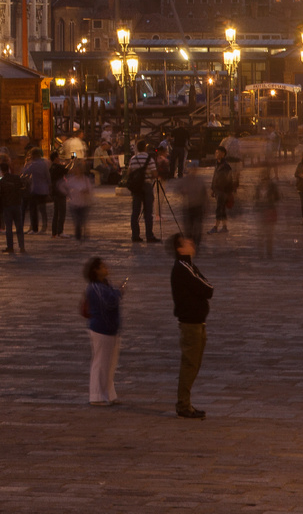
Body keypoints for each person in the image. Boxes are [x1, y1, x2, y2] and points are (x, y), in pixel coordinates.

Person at [169, 233, 214, 419]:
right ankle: (183, 405)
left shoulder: (188, 266)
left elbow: (205, 286)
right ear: (180, 248)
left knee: (193, 364)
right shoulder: (183, 268)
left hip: (196, 322)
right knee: (190, 364)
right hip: (191, 324)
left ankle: (185, 403)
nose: (192, 243)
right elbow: (208, 289)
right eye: (188, 242)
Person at [81, 256, 122, 406]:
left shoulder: (105, 284)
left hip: (110, 329)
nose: (107, 269)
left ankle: (109, 394)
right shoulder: (95, 287)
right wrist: (119, 293)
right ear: (96, 270)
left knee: (109, 364)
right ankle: (97, 396)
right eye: (103, 267)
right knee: (100, 363)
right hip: (101, 329)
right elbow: (109, 303)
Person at [126, 140, 159, 243]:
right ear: (145, 147)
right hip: (147, 185)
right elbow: (154, 173)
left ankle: (135, 235)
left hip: (136, 187)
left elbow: (129, 173)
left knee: (135, 212)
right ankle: (149, 235)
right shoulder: (150, 159)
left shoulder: (133, 159)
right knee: (148, 212)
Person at [0, 160, 28, 254]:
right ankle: (22, 247)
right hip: (17, 204)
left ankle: (10, 247)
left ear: (1, 170)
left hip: (7, 205)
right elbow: (22, 188)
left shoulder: (1, 180)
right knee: (19, 227)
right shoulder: (16, 178)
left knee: (8, 227)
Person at [61, 161, 94, 240]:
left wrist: (85, 191)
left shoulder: (86, 180)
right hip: (74, 203)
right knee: (77, 221)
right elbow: (61, 185)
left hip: (84, 203)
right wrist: (67, 193)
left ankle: (84, 232)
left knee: (82, 219)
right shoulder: (71, 180)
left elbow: (90, 190)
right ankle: (78, 235)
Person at [23, 146, 51, 234]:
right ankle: (44, 226)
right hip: (44, 189)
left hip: (35, 189)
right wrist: (49, 187)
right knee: (43, 209)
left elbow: (24, 172)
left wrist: (26, 163)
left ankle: (34, 228)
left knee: (33, 209)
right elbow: (48, 176)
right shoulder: (44, 163)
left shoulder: (33, 164)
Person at [254, 167, 280, 259]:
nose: (263, 177)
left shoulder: (272, 186)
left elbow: (278, 197)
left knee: (269, 234)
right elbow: (256, 198)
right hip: (260, 210)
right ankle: (260, 253)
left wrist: (271, 199)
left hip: (270, 210)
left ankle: (269, 253)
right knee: (260, 234)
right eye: (262, 175)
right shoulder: (258, 186)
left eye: (265, 175)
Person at [211, 147, 238, 233]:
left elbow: (229, 180)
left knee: (219, 209)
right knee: (221, 209)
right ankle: (224, 227)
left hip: (223, 191)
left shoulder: (226, 166)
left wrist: (228, 192)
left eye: (218, 153)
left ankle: (216, 227)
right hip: (217, 190)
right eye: (216, 152)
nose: (217, 154)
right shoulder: (217, 164)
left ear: (223, 154)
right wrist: (212, 188)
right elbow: (214, 177)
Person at [48, 150, 69, 237]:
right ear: (56, 158)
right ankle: (60, 231)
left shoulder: (51, 167)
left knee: (56, 212)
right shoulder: (58, 167)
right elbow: (67, 170)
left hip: (54, 191)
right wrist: (73, 162)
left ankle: (54, 232)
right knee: (62, 211)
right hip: (60, 191)